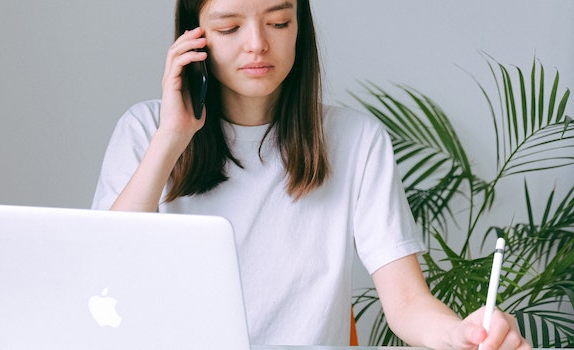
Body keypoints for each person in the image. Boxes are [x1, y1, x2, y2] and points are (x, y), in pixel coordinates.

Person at [91, 0, 531, 349]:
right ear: (193, 38)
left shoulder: (357, 140)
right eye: (229, 28)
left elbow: (407, 303)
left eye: (279, 22)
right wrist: (171, 136)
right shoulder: (145, 130)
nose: (257, 44)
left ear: (300, 26)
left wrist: (461, 335)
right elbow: (105, 272)